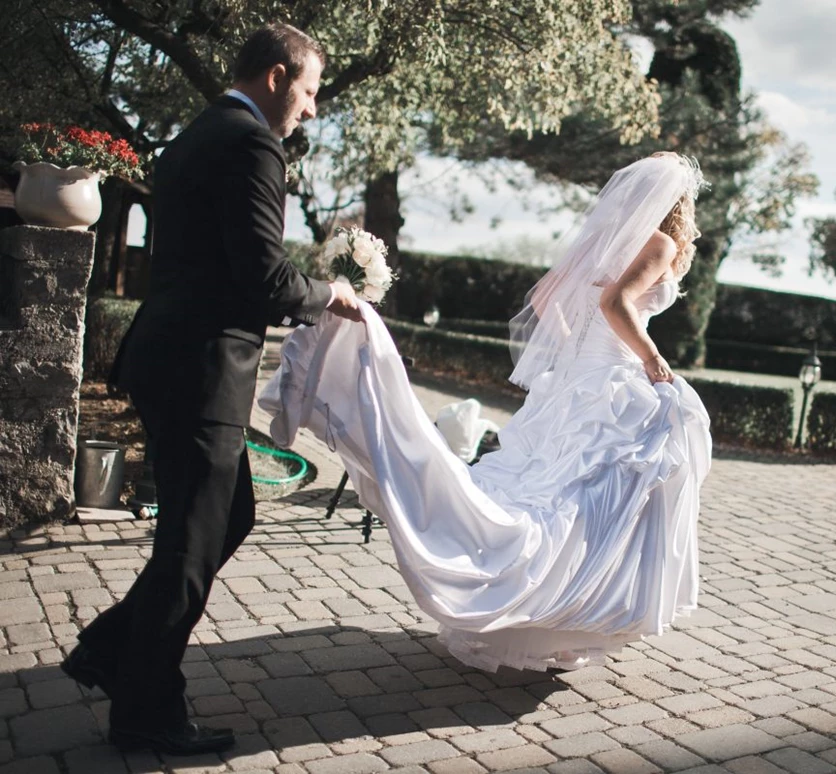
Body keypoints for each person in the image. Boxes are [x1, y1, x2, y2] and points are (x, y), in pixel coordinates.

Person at [260, 152, 711, 673]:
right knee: (595, 501)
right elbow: (616, 305)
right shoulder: (660, 243)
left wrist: (570, 355)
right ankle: (571, 609)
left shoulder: (607, 241)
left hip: (581, 380)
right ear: (678, 202)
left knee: (558, 493)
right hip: (613, 379)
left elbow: (545, 299)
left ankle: (549, 621)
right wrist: (653, 361)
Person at [61, 23, 361, 756]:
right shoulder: (251, 143)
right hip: (200, 369)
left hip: (171, 359)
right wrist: (330, 295)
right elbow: (262, 276)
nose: (313, 109)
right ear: (276, 76)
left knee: (224, 520)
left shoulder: (198, 131)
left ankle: (109, 648)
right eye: (312, 91)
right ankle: (146, 713)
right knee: (190, 548)